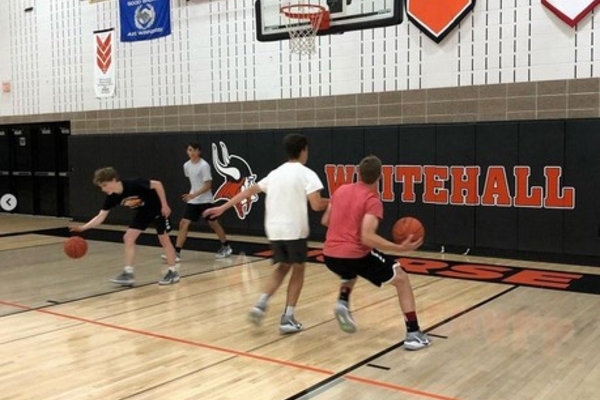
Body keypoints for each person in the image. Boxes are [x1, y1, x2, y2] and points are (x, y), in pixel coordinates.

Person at [204, 133, 328, 334]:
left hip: (274, 230)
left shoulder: (275, 173)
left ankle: (260, 304)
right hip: (293, 230)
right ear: (303, 150)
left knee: (282, 267)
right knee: (298, 271)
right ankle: (287, 318)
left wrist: (223, 207)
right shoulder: (307, 174)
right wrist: (336, 200)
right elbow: (317, 205)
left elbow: (247, 191)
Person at [321, 155, 431, 351]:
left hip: (329, 255)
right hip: (354, 255)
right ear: (380, 176)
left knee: (349, 271)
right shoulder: (372, 201)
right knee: (401, 279)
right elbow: (367, 237)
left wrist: (344, 228)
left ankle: (343, 301)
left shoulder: (340, 190)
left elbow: (326, 221)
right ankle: (413, 334)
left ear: (357, 172)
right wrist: (400, 248)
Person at [70, 167, 180, 286]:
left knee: (164, 239)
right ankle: (128, 273)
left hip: (157, 209)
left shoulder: (133, 184)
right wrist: (83, 227)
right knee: (128, 237)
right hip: (143, 212)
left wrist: (164, 205)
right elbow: (100, 216)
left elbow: (157, 184)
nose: (103, 189)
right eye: (101, 187)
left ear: (113, 180)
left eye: (105, 185)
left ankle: (173, 272)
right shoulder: (112, 197)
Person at [162, 142, 232, 262]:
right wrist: (192, 196)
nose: (192, 153)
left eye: (195, 150)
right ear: (187, 152)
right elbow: (194, 182)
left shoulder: (204, 166)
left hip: (206, 200)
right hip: (193, 202)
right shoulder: (186, 165)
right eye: (190, 150)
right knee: (183, 223)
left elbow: (208, 186)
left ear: (199, 151)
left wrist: (193, 195)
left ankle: (226, 246)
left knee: (213, 224)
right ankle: (176, 253)